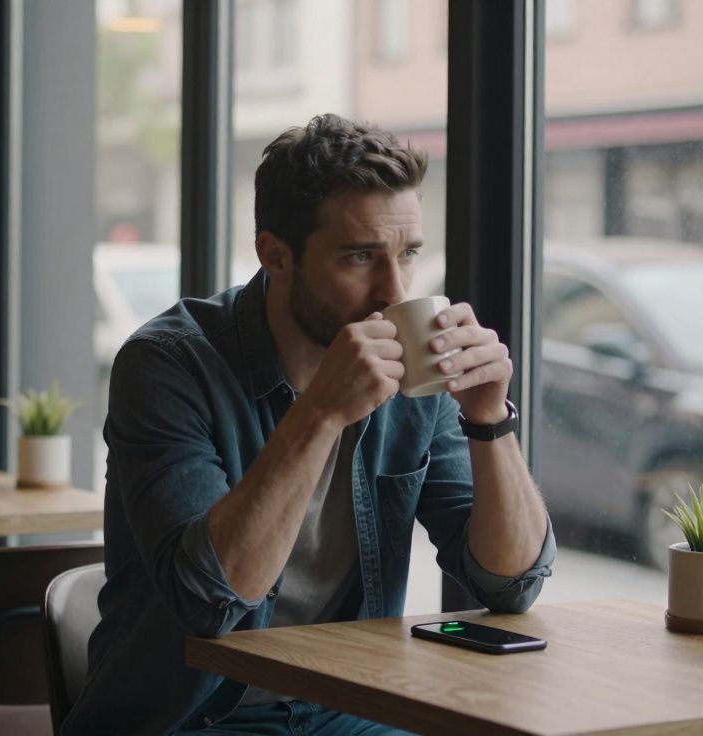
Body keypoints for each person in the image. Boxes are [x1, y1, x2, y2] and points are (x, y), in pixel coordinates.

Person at [63, 114, 555, 736]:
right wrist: (320, 411)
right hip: (190, 718)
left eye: (408, 255)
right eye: (360, 257)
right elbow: (210, 599)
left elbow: (511, 584)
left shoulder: (413, 381)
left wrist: (489, 419)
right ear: (276, 255)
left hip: (349, 710)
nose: (395, 291)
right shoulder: (168, 365)